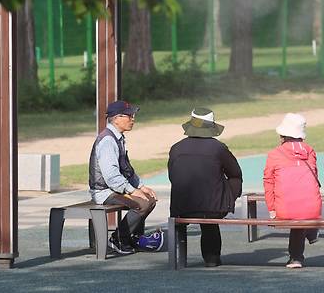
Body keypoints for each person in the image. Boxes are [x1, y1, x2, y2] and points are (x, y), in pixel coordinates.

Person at [168, 108, 243, 267]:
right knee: (210, 215)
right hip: (212, 206)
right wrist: (230, 196)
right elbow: (235, 173)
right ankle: (212, 258)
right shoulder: (218, 148)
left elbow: (172, 176)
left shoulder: (176, 148)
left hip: (181, 205)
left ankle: (180, 258)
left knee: (198, 200)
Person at [89, 100, 159, 255]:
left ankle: (132, 237)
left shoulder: (117, 138)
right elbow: (112, 177)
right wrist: (132, 191)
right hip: (104, 191)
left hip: (114, 189)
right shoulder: (108, 140)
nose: (133, 119)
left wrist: (141, 186)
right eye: (129, 116)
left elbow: (126, 169)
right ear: (116, 118)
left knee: (150, 198)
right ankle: (118, 239)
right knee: (142, 203)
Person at [263, 113, 322, 269]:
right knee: (303, 208)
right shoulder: (310, 151)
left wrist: (271, 209)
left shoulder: (274, 154)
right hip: (313, 209)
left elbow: (268, 182)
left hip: (286, 209)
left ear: (282, 134)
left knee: (294, 211)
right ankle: (310, 232)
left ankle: (296, 257)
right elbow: (314, 176)